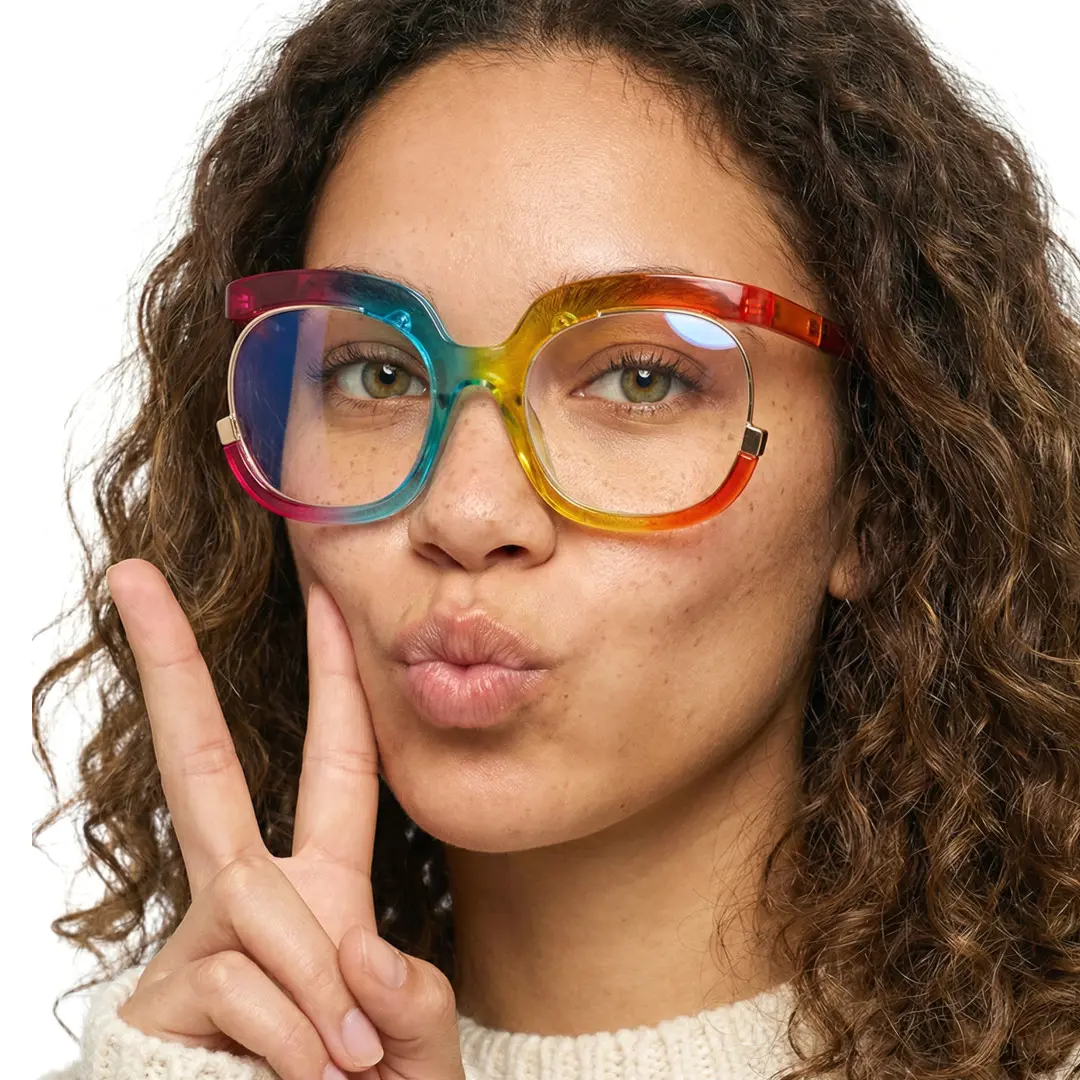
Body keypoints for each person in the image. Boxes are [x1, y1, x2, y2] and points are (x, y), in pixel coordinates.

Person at [31, 0, 1080, 1078]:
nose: (466, 516)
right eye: (378, 374)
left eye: (639, 378)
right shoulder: (163, 1060)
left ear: (880, 491)